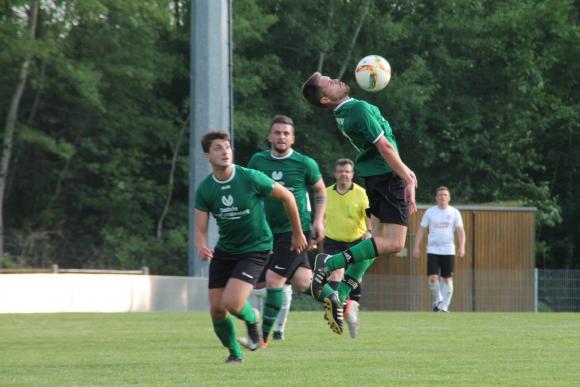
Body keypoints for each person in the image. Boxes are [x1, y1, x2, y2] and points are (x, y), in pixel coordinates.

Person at [302, 72, 417, 335]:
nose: (335, 80)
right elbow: (385, 147)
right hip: (387, 178)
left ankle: (341, 295)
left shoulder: (345, 113)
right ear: (324, 100)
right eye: (328, 83)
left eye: (331, 77)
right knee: (395, 243)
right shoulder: (358, 109)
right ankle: (329, 264)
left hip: (376, 177)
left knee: (374, 243)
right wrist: (406, 176)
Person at [194, 130, 307, 363]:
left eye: (227, 147)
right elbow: (201, 230)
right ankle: (235, 354)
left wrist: (297, 232)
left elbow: (287, 196)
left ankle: (252, 317)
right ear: (207, 156)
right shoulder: (205, 189)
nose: (225, 151)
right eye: (218, 148)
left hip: (256, 248)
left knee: (233, 303)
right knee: (216, 309)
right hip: (226, 250)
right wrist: (202, 246)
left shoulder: (249, 177)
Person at [242, 115, 326, 345]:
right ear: (269, 137)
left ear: (293, 138)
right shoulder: (258, 161)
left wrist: (319, 221)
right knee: (301, 282)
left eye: (286, 133)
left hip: (295, 231)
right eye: (277, 132)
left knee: (273, 280)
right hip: (265, 232)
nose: (281, 137)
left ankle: (262, 338)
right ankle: (336, 297)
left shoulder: (305, 163)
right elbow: (251, 191)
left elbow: (320, 192)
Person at [324, 158, 372, 338]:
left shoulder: (361, 193)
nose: (344, 174)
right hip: (333, 240)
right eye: (340, 171)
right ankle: (341, 309)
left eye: (347, 171)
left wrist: (369, 231)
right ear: (335, 173)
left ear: (352, 174)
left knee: (355, 278)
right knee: (335, 273)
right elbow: (321, 214)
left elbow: (369, 214)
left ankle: (351, 312)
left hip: (355, 241)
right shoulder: (326, 193)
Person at [412, 186, 465, 312]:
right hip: (433, 249)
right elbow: (421, 230)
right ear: (436, 197)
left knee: (447, 279)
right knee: (433, 278)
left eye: (445, 195)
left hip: (448, 250)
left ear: (449, 197)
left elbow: (460, 231)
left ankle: (444, 306)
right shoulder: (430, 212)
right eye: (440, 194)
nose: (443, 197)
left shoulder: (454, 212)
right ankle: (439, 299)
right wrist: (416, 246)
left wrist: (462, 247)